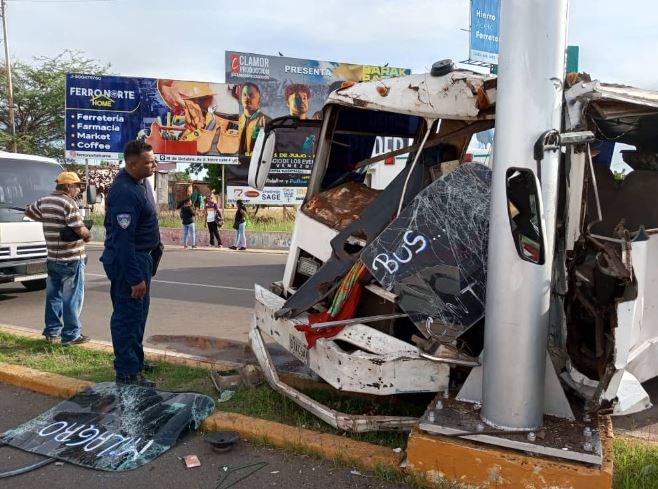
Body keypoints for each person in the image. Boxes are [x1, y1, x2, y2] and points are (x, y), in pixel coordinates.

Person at [101, 140, 160, 387]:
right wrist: (135, 278)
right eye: (149, 162)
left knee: (138, 315)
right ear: (132, 164)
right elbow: (123, 241)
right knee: (128, 317)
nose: (154, 164)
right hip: (130, 260)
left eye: (153, 159)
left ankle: (135, 360)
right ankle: (126, 372)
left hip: (141, 257)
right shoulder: (124, 191)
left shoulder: (141, 181)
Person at [24, 172, 91, 346]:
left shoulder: (44, 200)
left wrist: (48, 219)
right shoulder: (68, 203)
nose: (78, 189)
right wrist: (87, 234)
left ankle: (52, 332)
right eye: (76, 185)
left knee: (53, 296)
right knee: (72, 298)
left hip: (52, 257)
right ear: (67, 186)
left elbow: (29, 212)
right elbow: (80, 229)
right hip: (71, 258)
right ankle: (71, 335)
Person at [237, 82, 270, 154]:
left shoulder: (266, 122)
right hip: (236, 163)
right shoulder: (237, 121)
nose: (247, 97)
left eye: (251, 95)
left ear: (259, 99)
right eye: (244, 95)